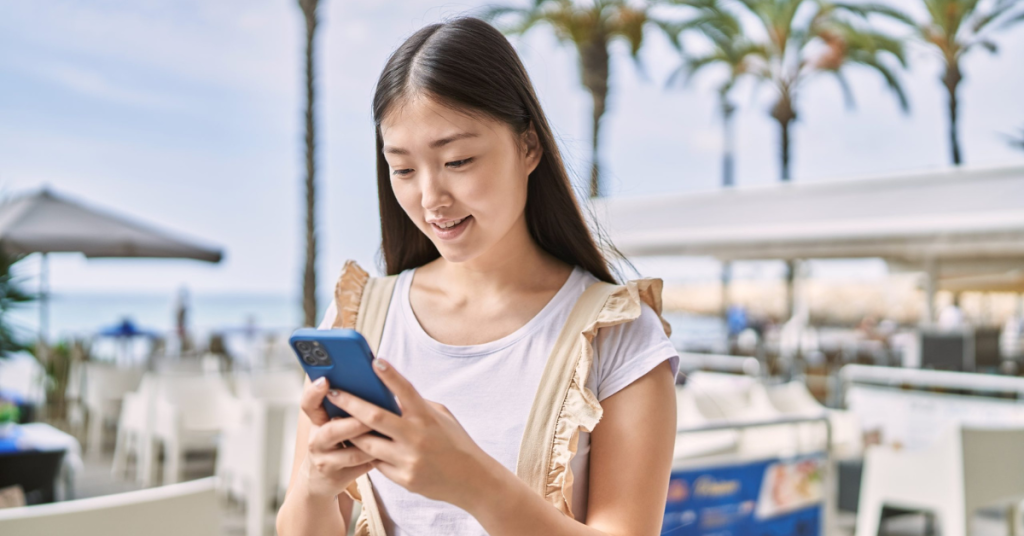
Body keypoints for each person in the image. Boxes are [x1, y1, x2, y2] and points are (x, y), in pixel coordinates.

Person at [276, 17, 679, 536]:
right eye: (402, 169)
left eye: (458, 160)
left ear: (528, 148)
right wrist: (315, 481)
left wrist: (470, 480)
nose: (430, 198)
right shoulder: (359, 318)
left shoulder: (618, 333)